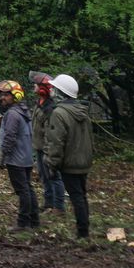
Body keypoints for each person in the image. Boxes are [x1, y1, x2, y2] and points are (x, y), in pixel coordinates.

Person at [42, 72, 95, 238]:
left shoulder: (59, 113)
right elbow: (90, 139)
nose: (51, 91)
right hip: (83, 162)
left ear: (60, 92)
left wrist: (52, 164)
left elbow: (56, 142)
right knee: (81, 195)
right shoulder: (82, 111)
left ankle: (83, 233)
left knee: (77, 197)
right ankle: (84, 229)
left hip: (70, 163)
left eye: (55, 88)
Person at [0, 80, 38, 229]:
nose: (2, 98)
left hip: (16, 159)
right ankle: (34, 221)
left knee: (23, 191)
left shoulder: (13, 114)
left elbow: (10, 137)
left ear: (15, 96)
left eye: (6, 95)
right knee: (28, 189)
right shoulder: (24, 111)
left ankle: (23, 223)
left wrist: (2, 156)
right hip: (25, 157)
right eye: (1, 94)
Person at [28, 72, 66, 214]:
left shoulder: (50, 108)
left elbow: (51, 132)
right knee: (44, 177)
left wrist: (49, 150)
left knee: (54, 176)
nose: (34, 87)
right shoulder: (39, 104)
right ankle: (48, 203)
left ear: (43, 89)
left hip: (47, 148)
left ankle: (59, 207)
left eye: (36, 85)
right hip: (38, 147)